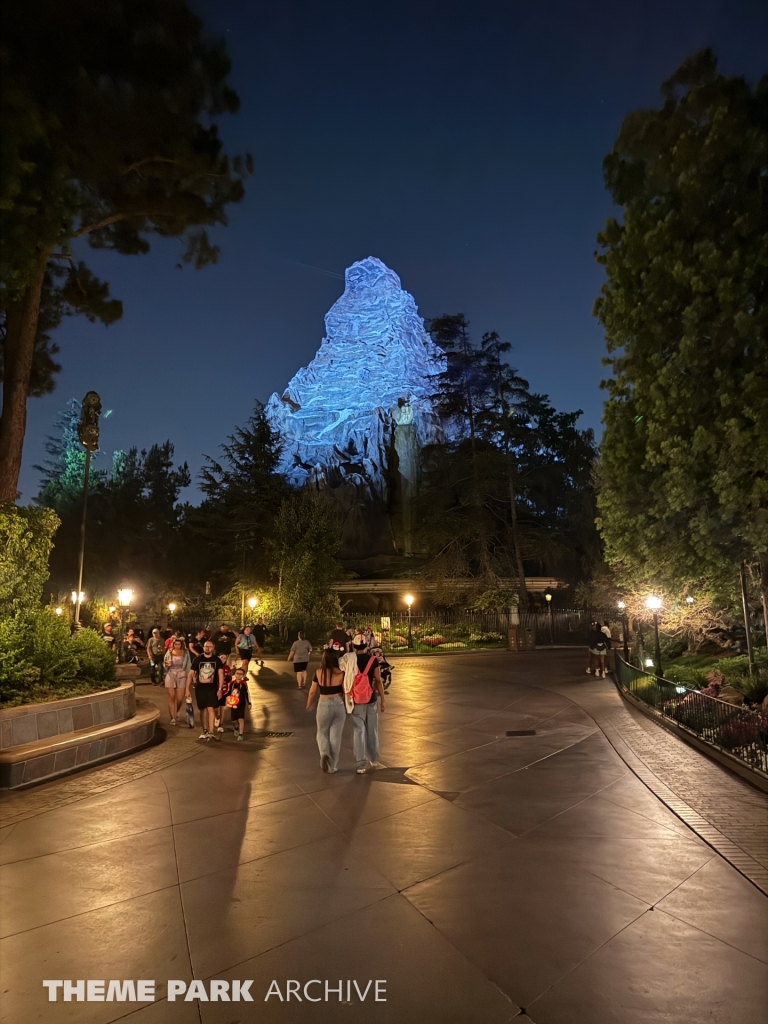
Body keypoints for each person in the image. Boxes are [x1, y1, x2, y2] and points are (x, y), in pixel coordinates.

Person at [305, 648, 346, 773]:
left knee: (322, 732)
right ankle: (332, 766)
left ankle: (324, 754)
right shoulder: (341, 673)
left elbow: (312, 691)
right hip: (338, 703)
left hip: (323, 704)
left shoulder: (318, 672)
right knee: (335, 736)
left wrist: (309, 704)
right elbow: (345, 691)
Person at [350, 639, 386, 774]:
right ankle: (374, 759)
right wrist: (382, 699)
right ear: (366, 646)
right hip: (371, 698)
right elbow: (378, 680)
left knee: (358, 731)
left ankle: (360, 764)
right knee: (372, 729)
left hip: (357, 699)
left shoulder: (351, 660)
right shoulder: (373, 660)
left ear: (354, 646)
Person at [187, 639, 223, 740]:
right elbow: (190, 674)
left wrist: (220, 688)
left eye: (210, 646)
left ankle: (211, 731)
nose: (207, 648)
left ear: (213, 648)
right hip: (200, 688)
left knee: (211, 708)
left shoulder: (216, 660)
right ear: (203, 647)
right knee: (202, 709)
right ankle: (205, 730)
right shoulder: (198, 659)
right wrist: (187, 689)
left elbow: (220, 674)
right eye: (206, 646)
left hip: (212, 688)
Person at [163, 637, 191, 725]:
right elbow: (164, 663)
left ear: (181, 644)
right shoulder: (170, 652)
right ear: (173, 644)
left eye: (179, 644)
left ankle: (177, 711)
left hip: (181, 674)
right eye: (175, 644)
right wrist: (166, 664)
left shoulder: (186, 653)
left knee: (179, 698)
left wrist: (189, 676)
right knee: (171, 696)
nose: (177, 646)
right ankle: (172, 718)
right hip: (171, 674)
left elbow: (188, 665)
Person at [224, 666, 251, 741]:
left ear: (243, 675)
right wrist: (226, 697)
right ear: (234, 674)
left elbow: (247, 694)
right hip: (233, 704)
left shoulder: (244, 684)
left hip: (241, 704)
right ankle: (236, 728)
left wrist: (249, 702)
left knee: (241, 719)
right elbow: (228, 692)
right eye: (237, 673)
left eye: (240, 674)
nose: (238, 675)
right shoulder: (232, 683)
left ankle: (241, 734)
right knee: (233, 720)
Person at [214, 652, 232, 734]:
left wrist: (228, 676)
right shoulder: (215, 666)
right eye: (221, 657)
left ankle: (220, 724)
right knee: (215, 707)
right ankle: (216, 716)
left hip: (224, 690)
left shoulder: (227, 668)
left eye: (225, 658)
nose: (223, 659)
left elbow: (229, 679)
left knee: (222, 707)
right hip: (214, 689)